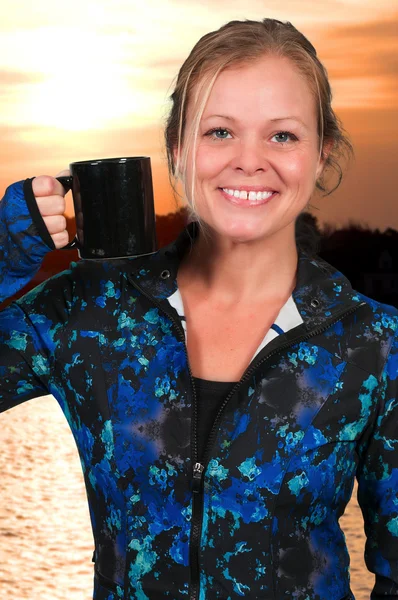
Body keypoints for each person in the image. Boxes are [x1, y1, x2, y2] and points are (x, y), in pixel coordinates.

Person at [0, 17, 397, 600]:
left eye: (282, 136)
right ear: (177, 149)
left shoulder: (378, 345)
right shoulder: (87, 312)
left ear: (321, 154)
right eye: (219, 132)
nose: (249, 160)